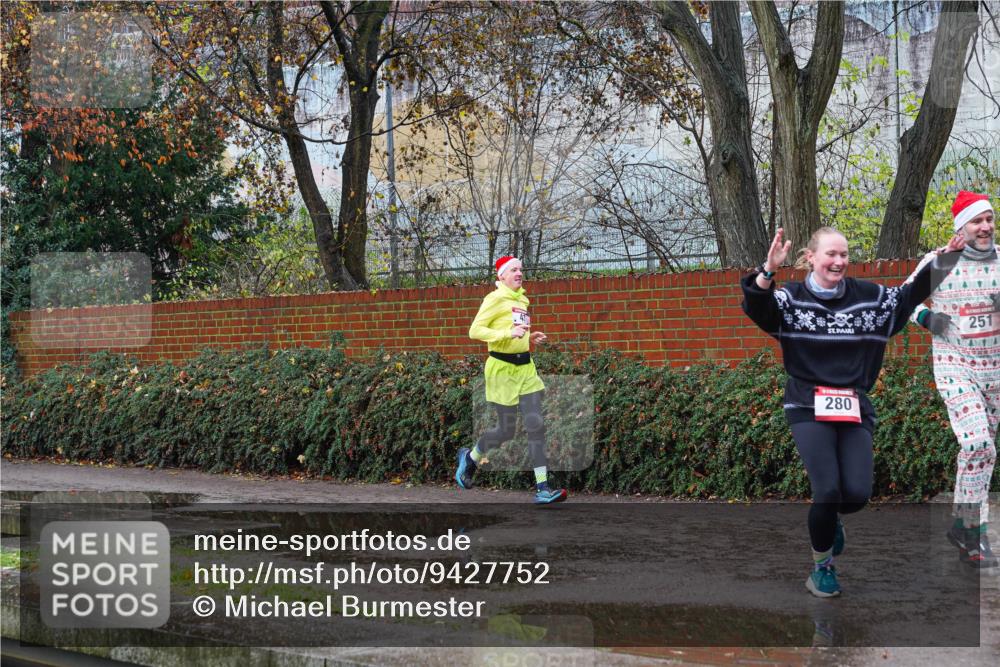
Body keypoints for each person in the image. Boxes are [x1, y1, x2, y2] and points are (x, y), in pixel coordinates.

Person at [741, 226, 964, 597]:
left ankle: (831, 523)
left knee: (857, 495)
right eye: (830, 254)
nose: (839, 261)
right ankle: (822, 567)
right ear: (811, 258)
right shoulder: (791, 298)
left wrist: (949, 257)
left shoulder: (868, 297)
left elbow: (908, 298)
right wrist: (768, 271)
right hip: (807, 402)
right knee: (827, 490)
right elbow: (758, 309)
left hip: (852, 403)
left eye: (844, 255)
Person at [908, 191, 1000, 568]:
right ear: (961, 227)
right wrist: (928, 319)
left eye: (990, 219)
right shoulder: (941, 261)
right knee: (979, 443)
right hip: (955, 364)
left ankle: (967, 527)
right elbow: (903, 300)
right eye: (978, 221)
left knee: (981, 453)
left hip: (994, 369)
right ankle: (972, 527)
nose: (985, 227)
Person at [455, 255, 568, 505]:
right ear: (502, 276)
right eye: (514, 270)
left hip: (525, 368)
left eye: (521, 269)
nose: (519, 273)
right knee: (506, 430)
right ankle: (470, 458)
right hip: (502, 370)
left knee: (536, 425)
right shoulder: (494, 299)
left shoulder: (523, 300)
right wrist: (507, 333)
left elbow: (517, 331)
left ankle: (543, 487)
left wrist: (529, 338)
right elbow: (475, 331)